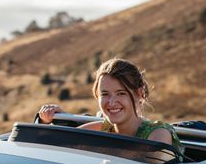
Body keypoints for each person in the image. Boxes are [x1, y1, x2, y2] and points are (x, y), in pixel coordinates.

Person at [37, 57, 180, 148]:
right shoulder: (105, 128)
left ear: (139, 94)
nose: (112, 102)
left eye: (121, 93)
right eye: (105, 94)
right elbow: (60, 142)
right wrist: (53, 119)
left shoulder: (158, 134)